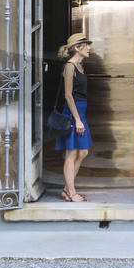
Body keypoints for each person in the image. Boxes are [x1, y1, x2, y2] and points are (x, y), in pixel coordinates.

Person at [52, 32, 94, 203]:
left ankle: (66, 189)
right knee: (72, 153)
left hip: (80, 111)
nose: (90, 48)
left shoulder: (81, 66)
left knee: (82, 152)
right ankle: (71, 192)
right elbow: (68, 95)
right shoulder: (70, 66)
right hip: (73, 112)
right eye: (86, 45)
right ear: (77, 48)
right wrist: (77, 119)